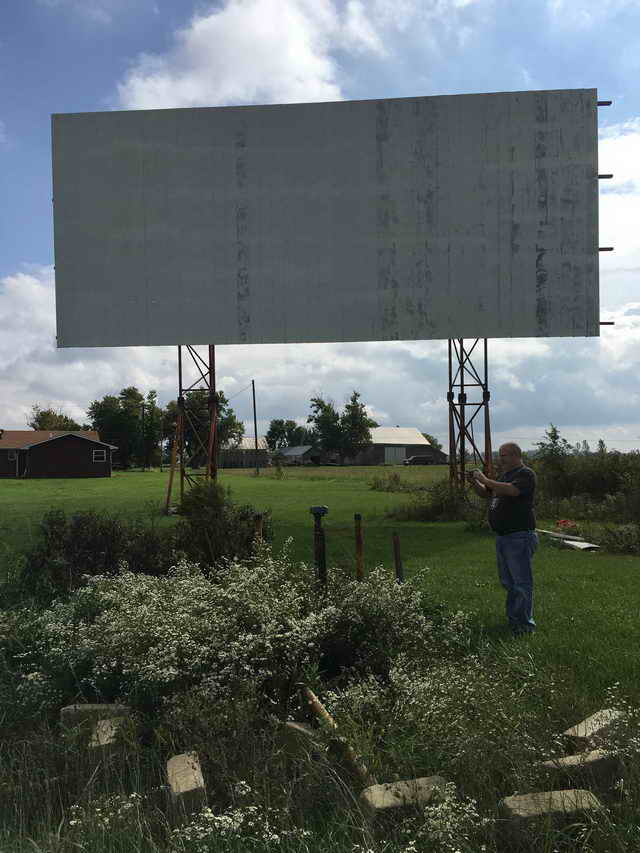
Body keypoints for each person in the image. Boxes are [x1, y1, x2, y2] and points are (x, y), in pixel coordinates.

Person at [469, 443, 538, 636]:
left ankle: (524, 627)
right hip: (504, 537)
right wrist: (475, 482)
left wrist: (485, 478)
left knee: (521, 583)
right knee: (510, 583)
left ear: (516, 455)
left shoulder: (525, 474)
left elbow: (512, 491)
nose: (501, 459)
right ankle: (514, 621)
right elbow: (486, 493)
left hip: (519, 536)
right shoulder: (504, 477)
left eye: (504, 455)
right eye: (500, 455)